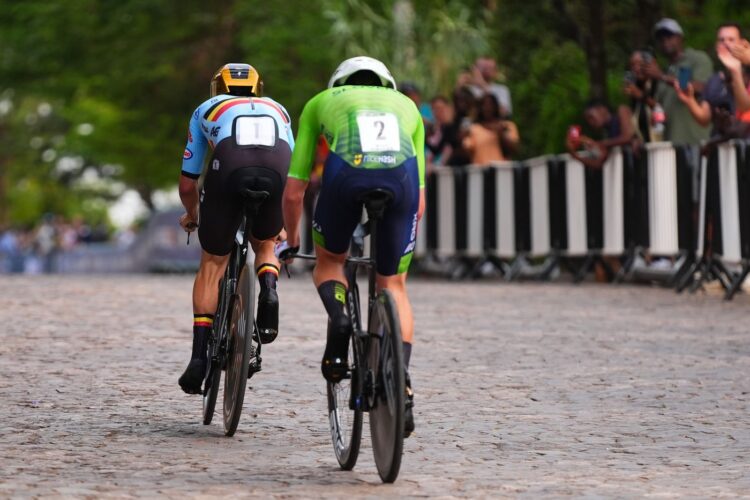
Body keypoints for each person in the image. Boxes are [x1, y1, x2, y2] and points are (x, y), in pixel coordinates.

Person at [280, 56, 424, 437]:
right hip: (401, 180)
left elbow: (294, 191)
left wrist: (292, 239)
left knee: (330, 262)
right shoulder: (408, 106)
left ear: (338, 83)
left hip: (346, 174)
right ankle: (400, 379)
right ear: (387, 85)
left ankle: (341, 318)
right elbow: (420, 203)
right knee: (394, 284)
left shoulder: (319, 102)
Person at [177, 63, 294, 394]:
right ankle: (268, 288)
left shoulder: (206, 108)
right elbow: (293, 175)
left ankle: (199, 359)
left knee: (213, 263)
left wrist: (193, 214)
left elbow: (188, 183)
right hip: (277, 169)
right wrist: (282, 224)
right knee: (266, 242)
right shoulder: (279, 109)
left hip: (229, 165)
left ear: (218, 88)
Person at [647, 18, 713, 145]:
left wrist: (662, 76)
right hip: (670, 143)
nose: (665, 41)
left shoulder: (695, 59)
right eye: (661, 39)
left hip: (696, 142)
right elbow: (658, 108)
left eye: (669, 36)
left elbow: (700, 87)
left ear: (680, 37)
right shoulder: (666, 70)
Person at [566, 99, 637, 169]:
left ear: (601, 109)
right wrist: (575, 155)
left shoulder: (621, 110)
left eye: (591, 117)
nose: (591, 123)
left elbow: (628, 137)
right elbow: (598, 163)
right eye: (588, 121)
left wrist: (599, 143)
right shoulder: (607, 133)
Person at [462, 93, 519, 165]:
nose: (487, 108)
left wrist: (502, 134)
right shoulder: (474, 129)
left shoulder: (507, 125)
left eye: (490, 105)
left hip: (502, 169)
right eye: (484, 105)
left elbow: (514, 149)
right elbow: (467, 151)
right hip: (481, 169)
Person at [623, 49, 661, 144]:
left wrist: (641, 96)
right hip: (647, 146)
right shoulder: (637, 88)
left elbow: (663, 111)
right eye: (632, 65)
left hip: (666, 145)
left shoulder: (661, 84)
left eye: (640, 64)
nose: (636, 68)